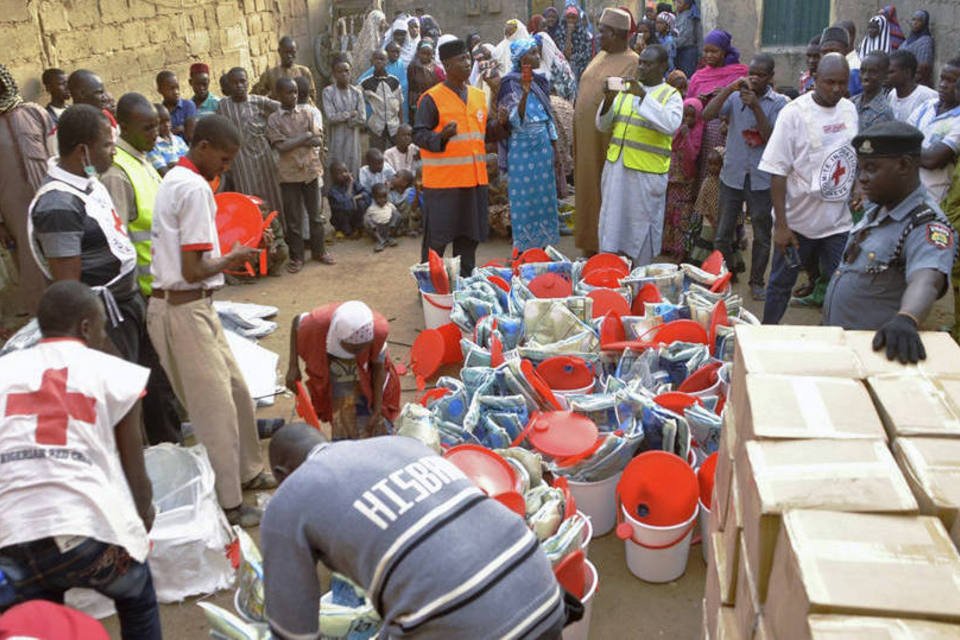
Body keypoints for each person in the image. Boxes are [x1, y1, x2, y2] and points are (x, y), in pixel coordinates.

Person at [259, 423, 568, 639]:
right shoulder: (398, 444)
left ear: (280, 474)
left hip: (474, 627)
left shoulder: (288, 499)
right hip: (545, 599)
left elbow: (293, 632)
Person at [0, 281, 160, 640]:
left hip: (12, 536)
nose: (104, 334)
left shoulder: (4, 371)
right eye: (103, 326)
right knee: (138, 598)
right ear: (86, 327)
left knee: (41, 620)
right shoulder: (113, 373)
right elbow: (136, 472)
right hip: (83, 532)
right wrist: (141, 522)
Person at [147, 115, 275, 527]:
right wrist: (235, 258)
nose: (226, 167)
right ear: (201, 147)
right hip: (182, 309)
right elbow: (195, 266)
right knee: (213, 408)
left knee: (236, 391)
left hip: (194, 305)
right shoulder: (192, 187)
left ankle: (248, 469)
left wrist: (233, 254)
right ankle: (229, 501)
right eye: (223, 159)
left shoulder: (181, 180)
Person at [824, 121, 955, 363]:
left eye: (871, 168)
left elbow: (927, 279)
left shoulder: (925, 224)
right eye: (860, 169)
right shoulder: (879, 207)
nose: (862, 178)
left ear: (904, 165)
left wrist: (907, 317)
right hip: (844, 348)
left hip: (876, 357)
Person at [28, 105, 143, 362]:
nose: (114, 151)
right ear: (83, 151)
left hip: (124, 305)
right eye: (107, 145)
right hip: (103, 320)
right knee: (122, 391)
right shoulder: (58, 205)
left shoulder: (89, 183)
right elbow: (69, 287)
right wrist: (98, 343)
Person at [98, 94, 182, 446]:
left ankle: (171, 435)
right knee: (152, 377)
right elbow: (116, 241)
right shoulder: (118, 174)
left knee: (164, 374)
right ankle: (166, 445)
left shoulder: (143, 160)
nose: (155, 133)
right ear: (126, 127)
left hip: (160, 287)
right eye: (147, 127)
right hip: (141, 293)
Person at [758, 53, 858, 325]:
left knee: (843, 286)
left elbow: (851, 155)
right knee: (780, 284)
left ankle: (832, 336)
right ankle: (766, 336)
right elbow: (777, 172)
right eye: (829, 82)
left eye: (842, 83)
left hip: (837, 223)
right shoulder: (793, 114)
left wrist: (857, 186)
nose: (836, 89)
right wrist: (781, 225)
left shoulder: (849, 109)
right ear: (815, 80)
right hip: (797, 223)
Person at [413, 38, 508, 276]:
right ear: (446, 65)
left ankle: (465, 283)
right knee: (437, 241)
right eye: (461, 60)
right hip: (444, 185)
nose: (467, 64)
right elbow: (419, 134)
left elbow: (483, 133)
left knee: (468, 239)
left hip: (474, 183)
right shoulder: (431, 98)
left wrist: (501, 125)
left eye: (468, 58)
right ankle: (430, 285)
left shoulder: (477, 96)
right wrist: (442, 137)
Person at [703, 53, 788, 297]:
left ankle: (757, 282)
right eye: (752, 74)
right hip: (732, 174)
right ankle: (729, 274)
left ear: (771, 77)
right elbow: (707, 115)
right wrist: (729, 87)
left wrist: (755, 106)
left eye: (761, 75)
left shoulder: (779, 103)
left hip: (761, 178)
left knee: (762, 234)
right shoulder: (734, 96)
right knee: (722, 234)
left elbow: (772, 137)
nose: (755, 79)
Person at [597, 45, 683, 265]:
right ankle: (612, 276)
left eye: (648, 63)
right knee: (612, 226)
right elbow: (603, 125)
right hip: (617, 170)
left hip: (646, 175)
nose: (641, 67)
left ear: (663, 67)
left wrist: (643, 96)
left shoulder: (671, 96)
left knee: (641, 230)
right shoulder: (625, 91)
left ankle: (640, 283)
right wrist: (608, 99)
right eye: (641, 62)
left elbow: (670, 124)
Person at [573, 8, 640, 257]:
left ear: (617, 34)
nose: (598, 36)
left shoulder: (633, 61)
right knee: (587, 191)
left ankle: (608, 250)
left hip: (607, 143)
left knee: (607, 194)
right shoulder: (600, 55)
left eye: (603, 32)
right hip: (586, 142)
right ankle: (589, 243)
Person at [285, 301, 400, 439]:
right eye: (351, 348)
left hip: (365, 368)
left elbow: (378, 368)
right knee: (342, 412)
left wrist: (376, 410)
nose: (356, 352)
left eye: (360, 348)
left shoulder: (378, 330)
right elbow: (297, 322)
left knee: (374, 420)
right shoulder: (318, 323)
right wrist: (293, 366)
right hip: (331, 358)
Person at [497, 37, 561, 252]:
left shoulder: (541, 81)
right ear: (521, 59)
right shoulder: (509, 83)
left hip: (542, 146)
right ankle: (524, 248)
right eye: (533, 53)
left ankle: (544, 247)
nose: (537, 56)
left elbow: (548, 116)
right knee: (524, 199)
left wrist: (555, 147)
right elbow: (514, 120)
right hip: (522, 148)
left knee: (545, 198)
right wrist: (524, 93)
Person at [0, 64, 53, 319]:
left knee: (61, 251)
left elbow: (53, 154)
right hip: (14, 211)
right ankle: (44, 322)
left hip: (50, 198)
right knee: (31, 266)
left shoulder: (35, 113)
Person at [266, 77, 333, 274]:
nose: (293, 96)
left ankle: (319, 252)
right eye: (288, 92)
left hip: (310, 171)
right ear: (278, 95)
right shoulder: (274, 119)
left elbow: (318, 141)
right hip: (288, 175)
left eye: (295, 92)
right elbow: (281, 147)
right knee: (293, 219)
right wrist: (304, 137)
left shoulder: (308, 113)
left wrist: (296, 141)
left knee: (316, 216)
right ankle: (297, 257)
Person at [217, 67, 283, 218]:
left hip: (263, 156)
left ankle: (279, 233)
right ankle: (256, 235)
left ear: (248, 82)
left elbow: (283, 109)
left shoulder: (259, 101)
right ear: (229, 85)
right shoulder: (223, 106)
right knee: (248, 198)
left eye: (242, 81)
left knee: (271, 194)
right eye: (235, 83)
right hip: (240, 161)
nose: (239, 86)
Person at [907, 58, 960, 204]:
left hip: (933, 199)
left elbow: (932, 160)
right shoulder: (927, 105)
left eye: (951, 81)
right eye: (942, 79)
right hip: (906, 192)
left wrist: (907, 148)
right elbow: (900, 138)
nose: (943, 85)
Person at [664, 97, 704, 259]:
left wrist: (686, 137)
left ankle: (681, 250)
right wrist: (680, 134)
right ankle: (668, 245)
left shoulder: (698, 133)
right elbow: (672, 146)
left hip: (687, 181)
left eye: (691, 116)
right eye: (684, 116)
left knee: (683, 217)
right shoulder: (679, 129)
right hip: (673, 179)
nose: (687, 120)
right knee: (670, 213)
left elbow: (693, 155)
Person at [322, 56, 366, 177]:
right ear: (334, 74)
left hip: (353, 142)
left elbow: (362, 118)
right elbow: (331, 117)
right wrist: (350, 114)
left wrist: (343, 119)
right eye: (339, 71)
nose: (344, 74)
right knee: (336, 171)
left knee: (353, 172)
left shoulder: (357, 93)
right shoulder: (328, 92)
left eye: (346, 71)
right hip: (336, 140)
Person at [253, 36, 317, 104]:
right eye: (286, 52)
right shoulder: (270, 75)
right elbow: (257, 95)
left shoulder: (304, 72)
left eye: (293, 52)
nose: (289, 56)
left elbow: (312, 95)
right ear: (279, 51)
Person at [689, 146, 725, 262]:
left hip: (723, 220)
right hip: (708, 221)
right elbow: (702, 203)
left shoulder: (725, 184)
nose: (713, 168)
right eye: (710, 164)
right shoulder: (707, 182)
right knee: (706, 244)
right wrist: (712, 220)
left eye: (716, 165)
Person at [361, 50, 403, 150]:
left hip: (394, 125)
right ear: (371, 61)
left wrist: (401, 124)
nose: (379, 61)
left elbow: (400, 102)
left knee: (395, 152)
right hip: (376, 126)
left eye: (382, 59)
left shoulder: (394, 81)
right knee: (377, 153)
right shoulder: (366, 83)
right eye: (376, 59)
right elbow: (359, 100)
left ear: (387, 61)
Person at [360, 41, 410, 125]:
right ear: (386, 53)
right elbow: (361, 82)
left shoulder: (400, 63)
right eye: (393, 52)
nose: (396, 54)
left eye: (398, 52)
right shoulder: (380, 67)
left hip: (400, 103)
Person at [886, 50, 938, 123]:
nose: (886, 76)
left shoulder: (928, 96)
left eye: (891, 72)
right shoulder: (892, 95)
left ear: (907, 72)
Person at [325, 160, 369, 239]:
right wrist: (350, 186)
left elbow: (366, 193)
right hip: (341, 219)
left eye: (345, 171)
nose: (344, 174)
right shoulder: (333, 191)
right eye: (340, 173)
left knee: (361, 203)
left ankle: (358, 227)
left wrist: (356, 197)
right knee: (345, 211)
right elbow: (345, 205)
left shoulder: (353, 183)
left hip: (353, 215)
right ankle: (345, 230)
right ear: (333, 176)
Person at [853, 51, 894, 133]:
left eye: (873, 72)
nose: (865, 76)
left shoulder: (883, 113)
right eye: (862, 71)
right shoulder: (852, 102)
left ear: (885, 76)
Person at [407, 41, 444, 123]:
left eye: (428, 54)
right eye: (423, 53)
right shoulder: (413, 67)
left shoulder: (436, 69)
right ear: (419, 53)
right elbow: (410, 86)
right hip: (416, 100)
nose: (425, 56)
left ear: (432, 55)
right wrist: (412, 101)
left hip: (431, 100)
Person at [146, 104, 189, 175]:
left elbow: (192, 164)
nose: (166, 125)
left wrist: (173, 165)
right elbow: (164, 173)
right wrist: (181, 164)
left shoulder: (178, 140)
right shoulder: (152, 146)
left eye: (168, 120)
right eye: (161, 123)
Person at [819, 25, 862, 97]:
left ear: (846, 50)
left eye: (834, 51)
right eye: (825, 52)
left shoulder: (855, 76)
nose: (830, 55)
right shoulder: (817, 76)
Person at [155, 70, 196, 139]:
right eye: (171, 89)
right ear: (160, 90)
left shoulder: (188, 105)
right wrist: (178, 130)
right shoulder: (160, 112)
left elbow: (190, 135)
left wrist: (169, 132)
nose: (176, 92)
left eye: (177, 87)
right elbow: (159, 137)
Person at [900, 10, 935, 88]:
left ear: (924, 23)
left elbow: (924, 68)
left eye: (919, 20)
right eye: (913, 19)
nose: (915, 23)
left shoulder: (926, 41)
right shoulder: (908, 40)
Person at [352, 9, 388, 82]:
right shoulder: (369, 41)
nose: (384, 25)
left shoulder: (379, 35)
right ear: (376, 23)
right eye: (382, 22)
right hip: (366, 70)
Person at [364, 183, 400, 252]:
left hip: (389, 227)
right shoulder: (371, 208)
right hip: (378, 229)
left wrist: (392, 222)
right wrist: (372, 224)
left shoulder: (389, 205)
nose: (383, 200)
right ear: (374, 197)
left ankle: (389, 237)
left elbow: (396, 215)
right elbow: (367, 219)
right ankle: (380, 240)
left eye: (385, 197)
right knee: (366, 219)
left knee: (397, 214)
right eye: (380, 197)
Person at [674, 0, 703, 78]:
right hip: (680, 50)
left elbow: (684, 38)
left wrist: (672, 43)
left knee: (686, 75)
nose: (676, 5)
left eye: (679, 3)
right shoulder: (679, 15)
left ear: (687, 5)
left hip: (687, 51)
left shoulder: (688, 17)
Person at [389, 169, 418, 235]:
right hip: (397, 218)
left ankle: (408, 229)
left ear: (404, 183)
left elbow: (398, 202)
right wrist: (387, 190)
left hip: (406, 217)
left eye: (396, 176)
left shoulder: (409, 191)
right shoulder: (392, 191)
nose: (393, 177)